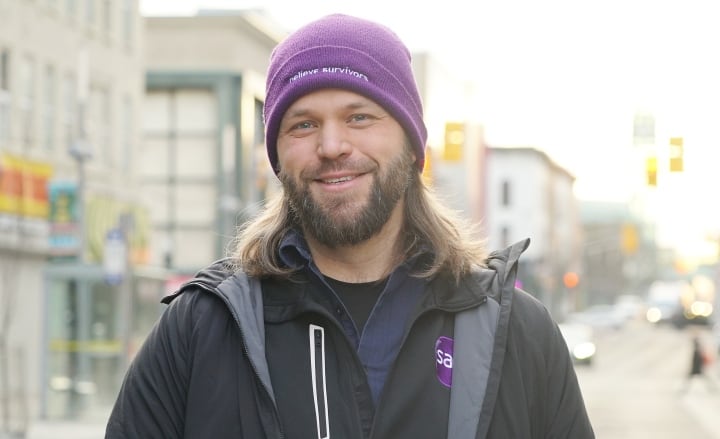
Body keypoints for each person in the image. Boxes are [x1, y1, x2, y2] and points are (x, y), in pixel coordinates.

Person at [105, 13, 594, 439]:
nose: (332, 145)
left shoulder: (518, 334)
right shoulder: (200, 329)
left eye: (359, 117)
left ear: (410, 144)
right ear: (277, 156)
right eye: (303, 124)